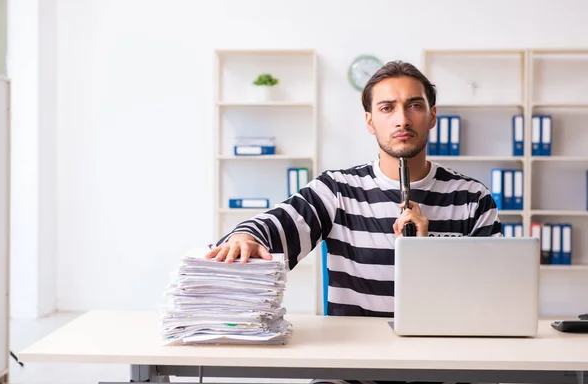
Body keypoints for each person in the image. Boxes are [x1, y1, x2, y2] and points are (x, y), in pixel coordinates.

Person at [205, 60, 502, 319]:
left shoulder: (473, 198)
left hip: (448, 366)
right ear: (370, 122)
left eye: (414, 106)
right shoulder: (337, 190)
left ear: (432, 116)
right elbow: (277, 224)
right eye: (387, 108)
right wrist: (245, 236)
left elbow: (493, 296)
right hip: (354, 368)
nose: (402, 119)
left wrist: (427, 254)